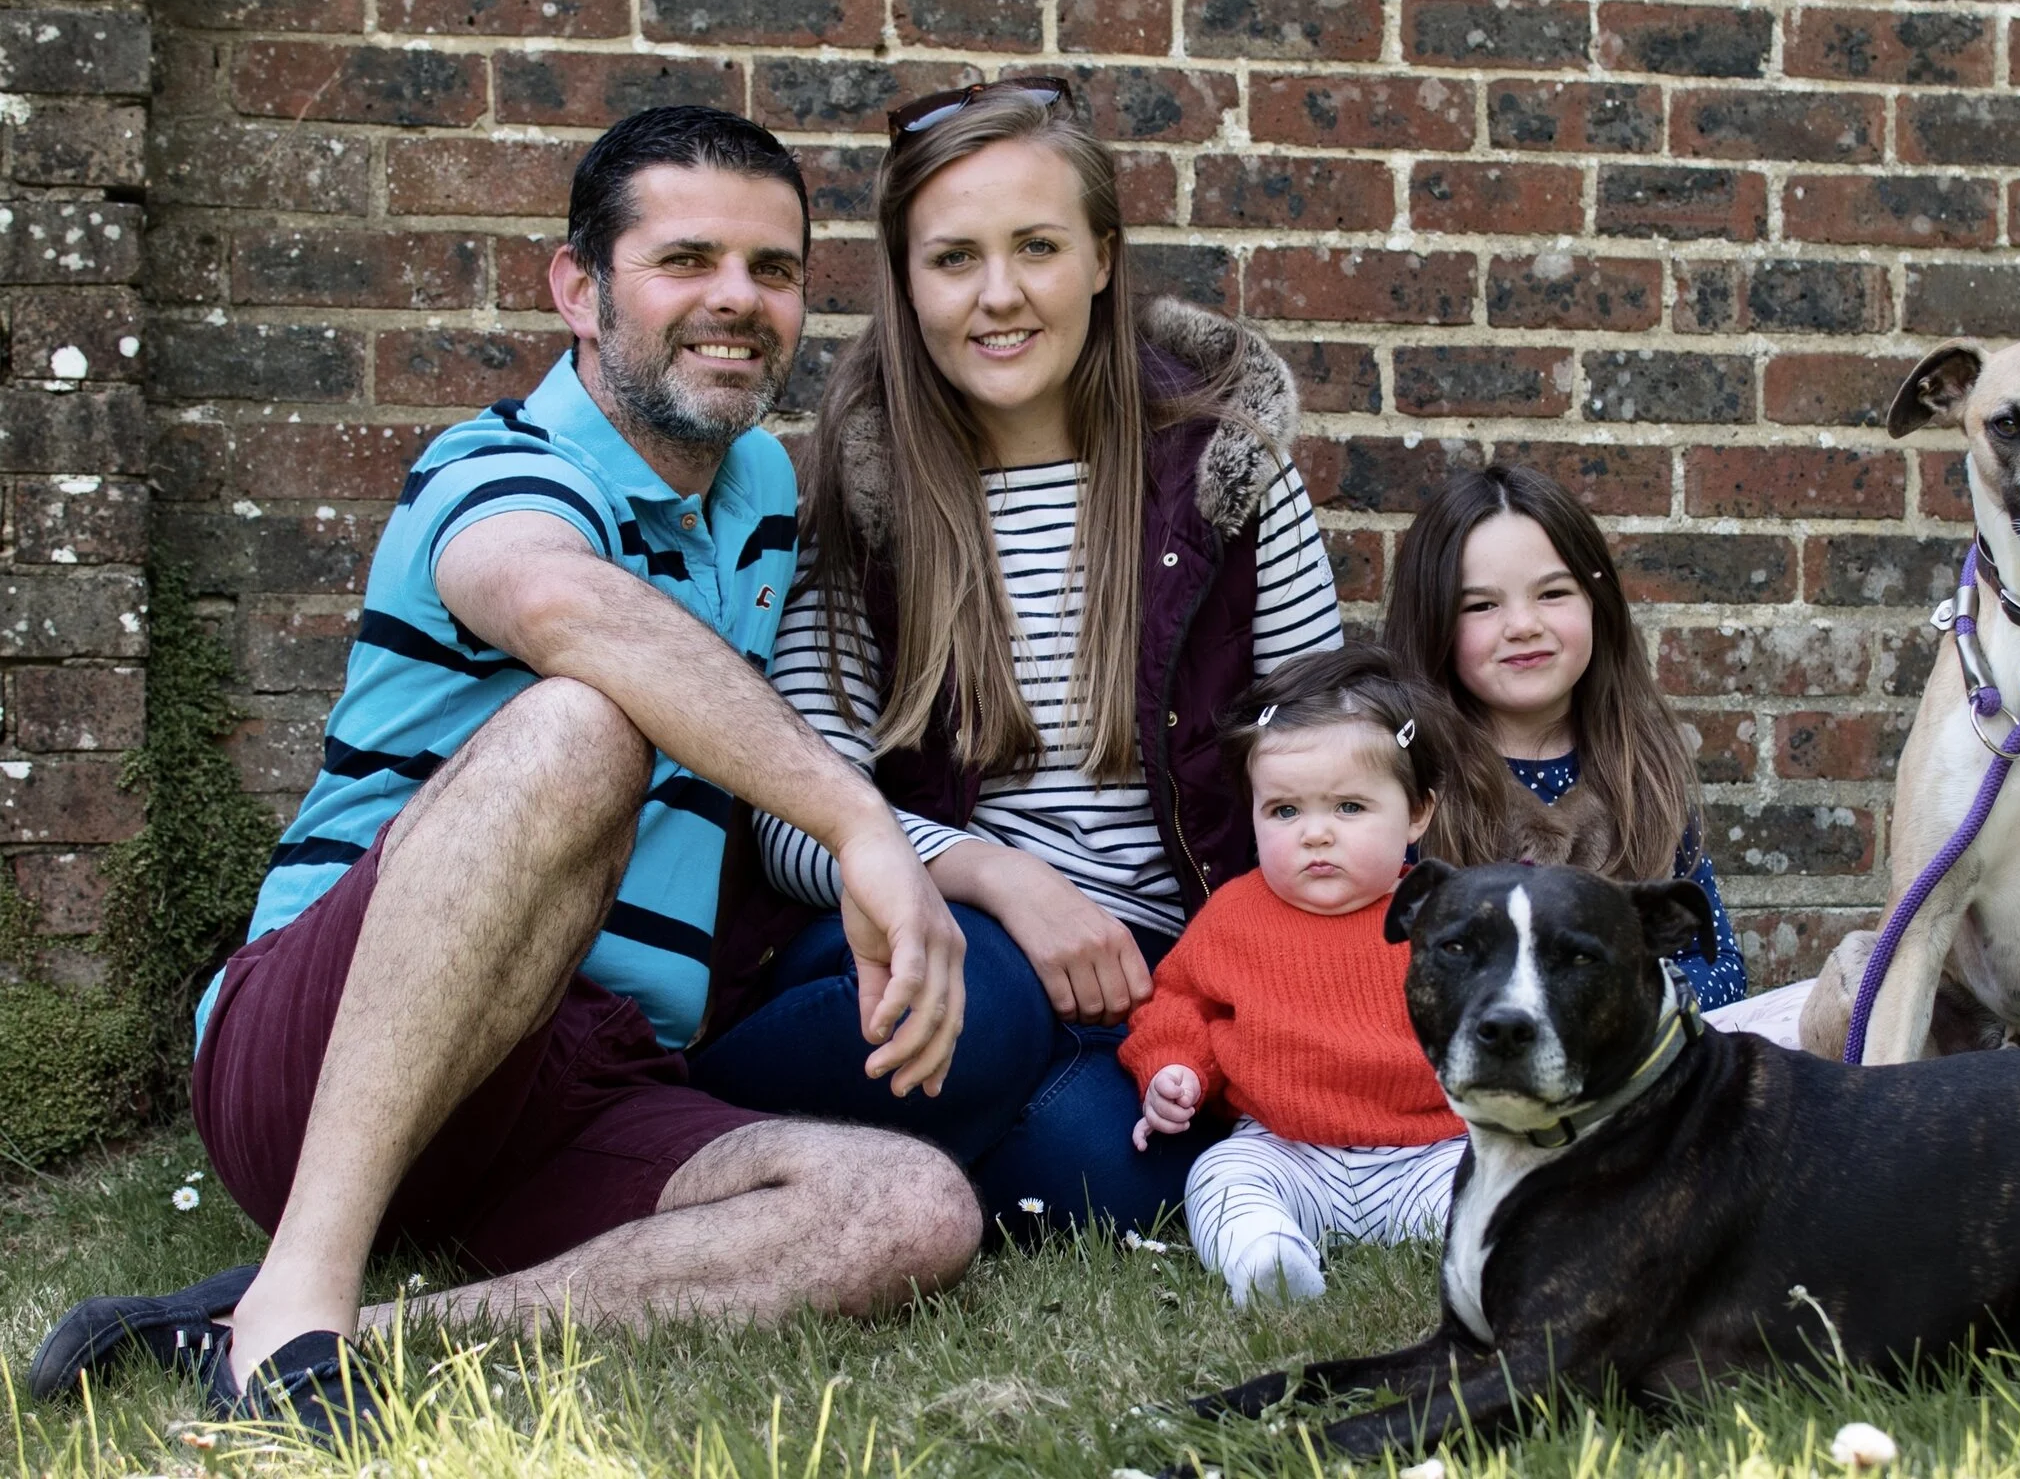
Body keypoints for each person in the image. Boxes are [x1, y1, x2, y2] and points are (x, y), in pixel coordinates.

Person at [30, 107, 981, 1438]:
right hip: (328, 1044)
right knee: (584, 722)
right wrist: (855, 823)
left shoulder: (762, 484)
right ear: (577, 290)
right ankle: (297, 1313)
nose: (738, 300)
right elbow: (558, 605)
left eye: (772, 269)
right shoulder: (493, 471)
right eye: (686, 259)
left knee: (911, 1209)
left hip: (579, 1079)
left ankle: (320, 1331)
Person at [687, 78, 1343, 1233]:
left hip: (1158, 982)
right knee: (981, 1009)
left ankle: (888, 1163)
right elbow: (794, 815)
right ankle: (690, 1123)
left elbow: (1324, 759)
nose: (999, 296)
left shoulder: (1228, 481)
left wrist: (1236, 981)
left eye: (1036, 246)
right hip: (940, 944)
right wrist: (1000, 879)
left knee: (1123, 1173)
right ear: (906, 283)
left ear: (1101, 256)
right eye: (953, 260)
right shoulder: (864, 501)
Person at [1122, 647, 1466, 1307]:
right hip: (1287, 1151)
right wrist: (1175, 1069)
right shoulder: (1234, 917)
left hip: (1428, 1151)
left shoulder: (1445, 914)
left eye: (1349, 808)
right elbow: (1179, 1003)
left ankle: (1492, 1253)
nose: (1315, 835)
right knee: (1221, 1175)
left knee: (1492, 1187)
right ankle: (1269, 1260)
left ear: (1417, 812)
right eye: (1284, 811)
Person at [1383, 463, 1754, 1015]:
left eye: (1553, 592)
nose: (1524, 624)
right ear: (1433, 621)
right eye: (1482, 605)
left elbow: (1718, 963)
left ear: (1596, 603)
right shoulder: (1408, 781)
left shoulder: (1645, 771)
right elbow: (1379, 972)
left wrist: (1615, 1003)